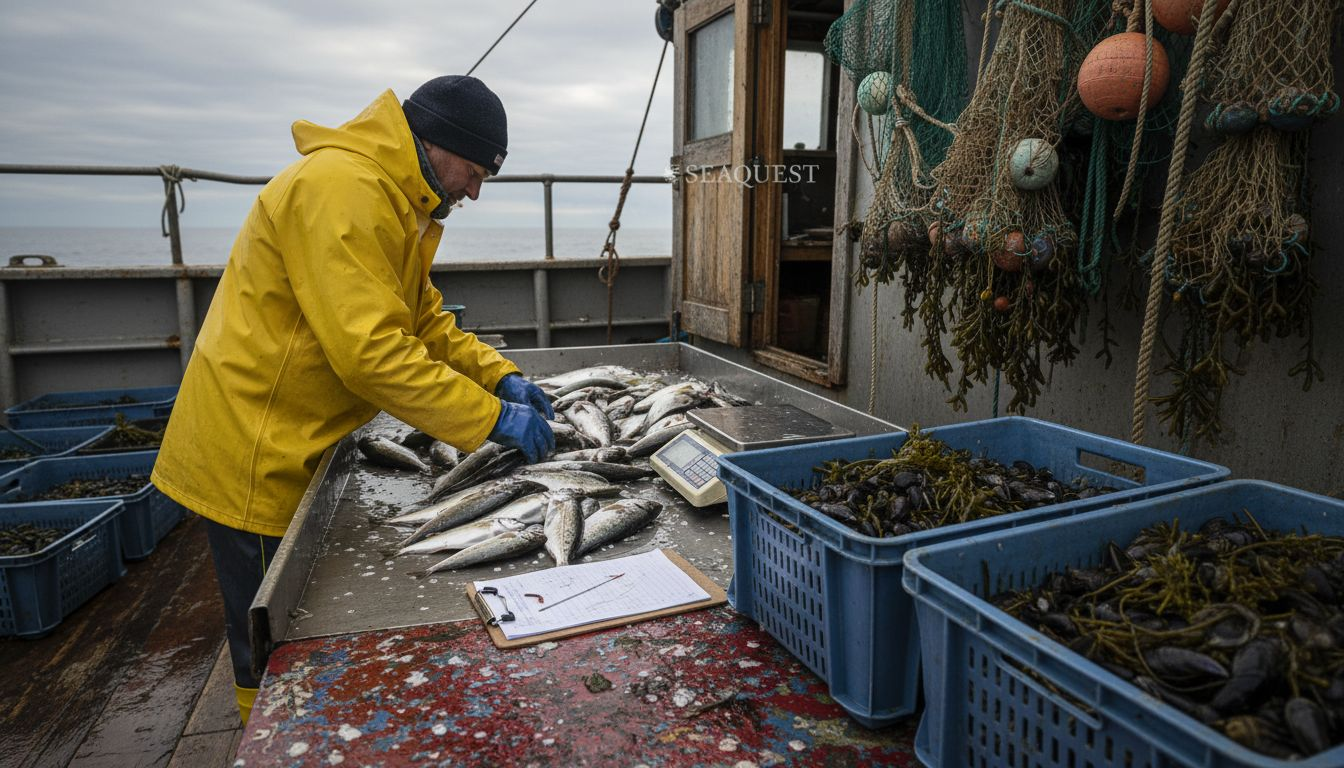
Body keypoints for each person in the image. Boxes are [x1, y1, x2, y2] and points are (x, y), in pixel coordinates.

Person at [150, 75, 554, 724]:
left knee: (289, 628)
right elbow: (373, 356)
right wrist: (492, 420)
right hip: (256, 452)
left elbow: (422, 324)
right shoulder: (344, 190)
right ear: (435, 143)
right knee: (269, 639)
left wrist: (499, 376)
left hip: (298, 439)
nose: (474, 190)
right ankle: (270, 740)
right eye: (474, 171)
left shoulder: (397, 202)